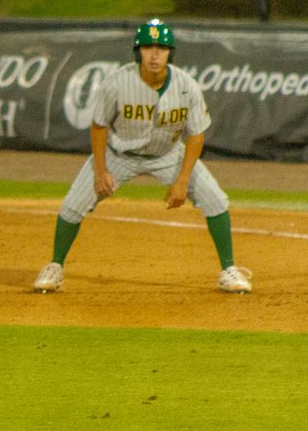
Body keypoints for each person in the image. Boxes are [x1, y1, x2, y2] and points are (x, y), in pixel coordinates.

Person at [32, 19, 252, 294]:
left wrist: (183, 179)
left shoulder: (186, 86)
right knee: (72, 206)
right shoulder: (117, 84)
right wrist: (101, 171)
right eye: (148, 47)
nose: (155, 54)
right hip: (119, 153)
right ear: (138, 52)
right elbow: (99, 126)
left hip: (168, 154)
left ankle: (229, 269)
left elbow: (196, 135)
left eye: (162, 47)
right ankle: (55, 266)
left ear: (171, 52)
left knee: (215, 199)